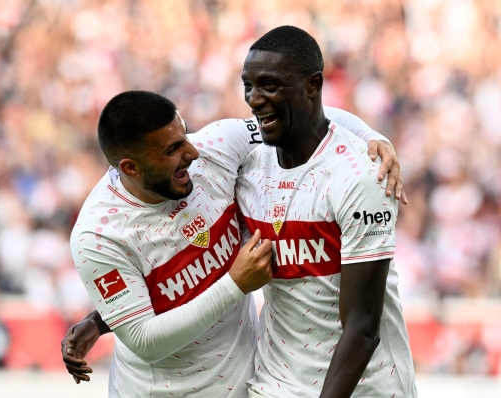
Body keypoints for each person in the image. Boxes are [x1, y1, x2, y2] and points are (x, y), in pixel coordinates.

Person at [65, 89, 403, 397]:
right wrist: (235, 284)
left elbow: (300, 119)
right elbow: (145, 341)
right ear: (130, 167)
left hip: (244, 386)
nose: (192, 152)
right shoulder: (99, 235)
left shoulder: (217, 147)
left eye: (184, 135)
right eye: (172, 150)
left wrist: (372, 138)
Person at [237, 26, 416, 397]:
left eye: (269, 86)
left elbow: (363, 328)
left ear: (312, 84)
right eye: (248, 86)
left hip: (364, 388)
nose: (254, 99)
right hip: (274, 385)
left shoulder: (360, 176)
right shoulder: (248, 167)